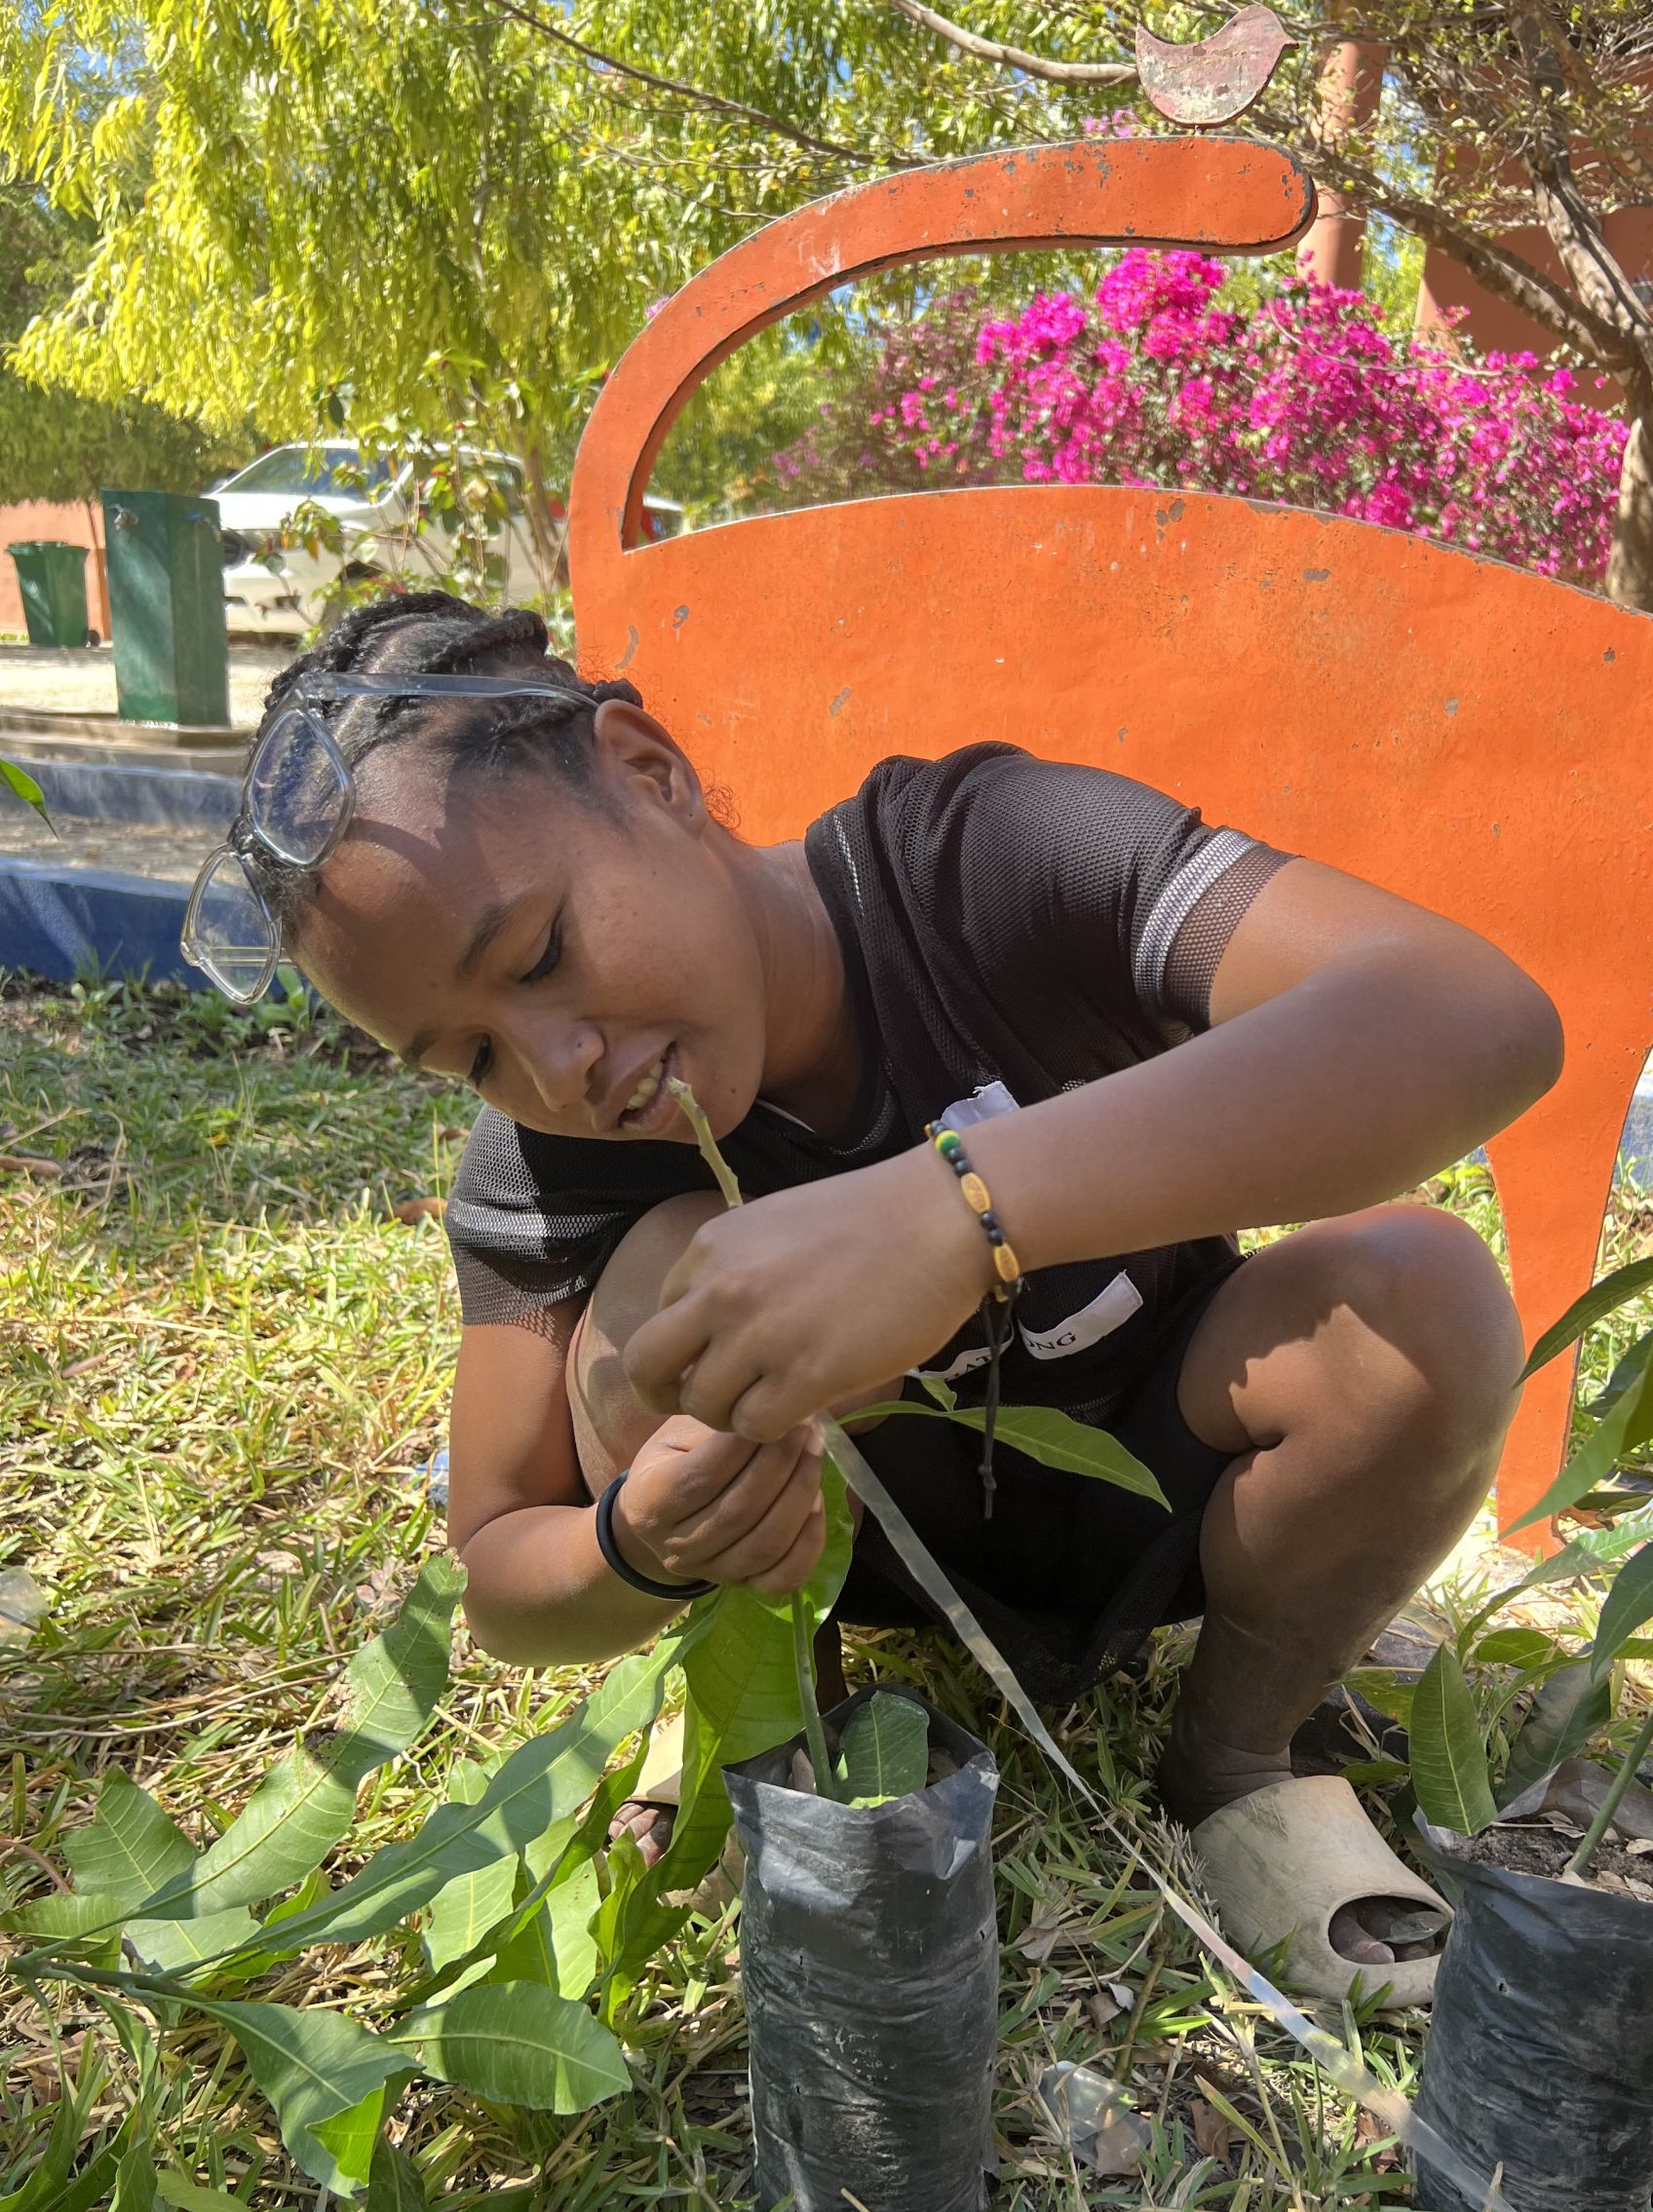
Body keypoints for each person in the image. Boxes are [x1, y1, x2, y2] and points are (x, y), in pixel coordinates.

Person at [184, 590, 1562, 2002]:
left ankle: (1238, 1763)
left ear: (651, 774)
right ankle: (783, 1727)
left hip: (1165, 1491)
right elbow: (495, 1561)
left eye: (540, 954)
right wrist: (639, 1550)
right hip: (843, 1566)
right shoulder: (552, 1162)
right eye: (469, 1055)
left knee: (1422, 1293)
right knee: (654, 1282)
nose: (556, 1067)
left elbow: (1473, 1014)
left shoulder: (981, 868)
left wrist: (957, 1209)